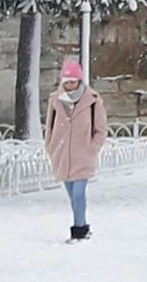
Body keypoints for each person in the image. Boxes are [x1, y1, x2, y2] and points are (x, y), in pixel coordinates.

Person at [44, 58, 106, 241]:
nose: (70, 85)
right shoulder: (55, 100)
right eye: (67, 81)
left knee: (79, 193)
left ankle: (79, 230)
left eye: (73, 81)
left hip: (83, 155)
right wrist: (50, 146)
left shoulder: (92, 100)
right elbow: (50, 126)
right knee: (72, 195)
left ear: (79, 80)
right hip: (62, 154)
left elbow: (101, 129)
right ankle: (83, 224)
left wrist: (92, 148)